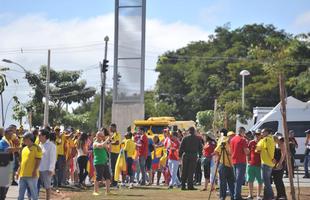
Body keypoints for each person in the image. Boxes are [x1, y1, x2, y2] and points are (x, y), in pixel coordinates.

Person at [17, 132, 42, 200]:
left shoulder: (37, 148)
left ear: (29, 139)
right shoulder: (24, 149)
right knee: (20, 194)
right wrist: (18, 171)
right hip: (22, 175)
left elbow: (38, 160)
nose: (23, 140)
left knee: (34, 194)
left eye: (24, 139)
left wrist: (34, 171)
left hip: (32, 175)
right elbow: (22, 161)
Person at [214, 129, 235, 200]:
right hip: (223, 164)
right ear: (228, 137)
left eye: (233, 136)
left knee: (231, 182)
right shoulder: (224, 142)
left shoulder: (233, 143)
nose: (232, 137)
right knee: (223, 182)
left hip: (231, 165)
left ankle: (233, 196)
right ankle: (222, 197)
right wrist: (218, 159)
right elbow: (216, 151)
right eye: (231, 136)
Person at [256, 128, 276, 200]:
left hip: (265, 163)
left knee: (266, 181)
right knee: (267, 181)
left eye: (262, 132)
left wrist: (259, 141)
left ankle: (271, 196)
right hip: (270, 163)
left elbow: (257, 150)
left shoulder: (264, 140)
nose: (261, 133)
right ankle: (268, 196)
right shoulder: (272, 139)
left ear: (266, 132)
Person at [93, 129, 114, 196]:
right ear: (98, 136)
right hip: (98, 162)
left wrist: (110, 142)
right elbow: (101, 146)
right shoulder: (95, 143)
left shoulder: (102, 142)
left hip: (104, 162)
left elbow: (109, 149)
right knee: (98, 177)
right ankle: (95, 191)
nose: (102, 137)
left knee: (108, 177)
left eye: (102, 136)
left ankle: (108, 191)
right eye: (101, 136)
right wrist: (107, 139)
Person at [230, 127, 249, 200]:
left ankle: (235, 194)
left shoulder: (232, 139)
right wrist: (249, 150)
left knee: (236, 179)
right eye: (244, 132)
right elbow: (246, 151)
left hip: (234, 160)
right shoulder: (243, 140)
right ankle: (237, 196)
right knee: (239, 179)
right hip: (241, 161)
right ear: (242, 132)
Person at [0, 128, 19, 200]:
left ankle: (3, 196)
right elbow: (7, 150)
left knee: (7, 184)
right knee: (3, 185)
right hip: (3, 166)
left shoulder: (9, 141)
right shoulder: (2, 141)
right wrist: (17, 149)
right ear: (7, 134)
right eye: (11, 134)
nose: (12, 135)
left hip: (8, 165)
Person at [38, 129, 57, 200]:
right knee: (36, 186)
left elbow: (53, 158)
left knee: (47, 187)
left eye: (40, 135)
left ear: (44, 136)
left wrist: (51, 169)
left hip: (46, 169)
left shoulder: (51, 145)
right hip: (38, 169)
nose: (38, 137)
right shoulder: (39, 145)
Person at [247, 130, 263, 200]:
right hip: (251, 165)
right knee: (250, 180)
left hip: (260, 165)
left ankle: (258, 195)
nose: (257, 135)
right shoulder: (251, 142)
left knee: (260, 181)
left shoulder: (263, 142)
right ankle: (250, 195)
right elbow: (248, 153)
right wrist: (248, 162)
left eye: (258, 134)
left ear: (261, 135)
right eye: (256, 134)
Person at [272, 133, 287, 200]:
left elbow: (283, 154)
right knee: (276, 180)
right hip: (274, 163)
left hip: (280, 163)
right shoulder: (274, 143)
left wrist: (280, 163)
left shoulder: (282, 143)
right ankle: (279, 195)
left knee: (279, 179)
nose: (279, 139)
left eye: (280, 138)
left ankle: (282, 195)